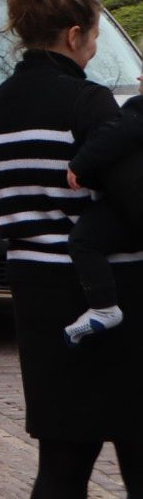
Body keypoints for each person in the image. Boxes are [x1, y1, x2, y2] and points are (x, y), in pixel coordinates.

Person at [0, 0, 143, 496]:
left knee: (62, 466)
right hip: (118, 302)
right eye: (94, 38)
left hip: (39, 301)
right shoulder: (89, 103)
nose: (94, 50)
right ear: (74, 36)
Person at [63, 67, 143, 344]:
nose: (139, 79)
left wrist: (79, 165)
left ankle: (103, 305)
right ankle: (104, 308)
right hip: (127, 208)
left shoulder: (136, 112)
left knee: (84, 241)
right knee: (86, 240)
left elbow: (114, 135)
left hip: (129, 207)